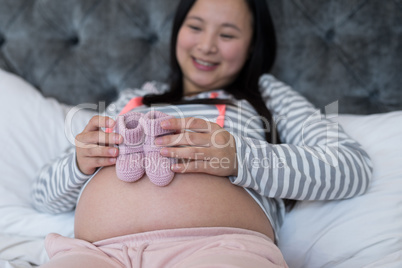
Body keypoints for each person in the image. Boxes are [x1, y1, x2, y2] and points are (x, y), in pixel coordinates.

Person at [32, 0, 373, 267]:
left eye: (227, 35)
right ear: (178, 31)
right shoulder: (133, 99)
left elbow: (350, 166)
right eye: (195, 27)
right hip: (98, 254)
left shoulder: (264, 95)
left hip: (220, 247)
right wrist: (80, 162)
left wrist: (240, 157)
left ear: (252, 46)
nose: (207, 45)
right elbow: (43, 194)